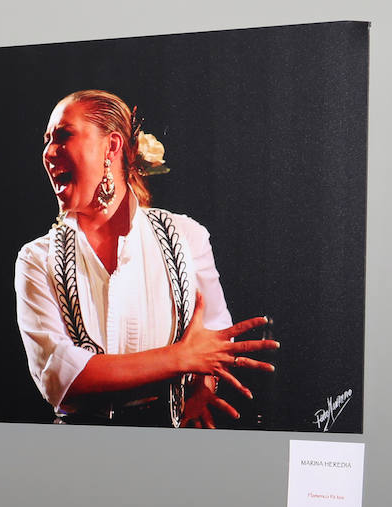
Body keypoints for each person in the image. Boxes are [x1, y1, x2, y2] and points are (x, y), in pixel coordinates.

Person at [15, 90, 279, 427]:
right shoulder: (37, 259)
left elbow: (212, 345)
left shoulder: (186, 236)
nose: (48, 152)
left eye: (63, 136)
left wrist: (202, 387)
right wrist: (181, 358)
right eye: (46, 140)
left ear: (111, 146)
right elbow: (60, 379)